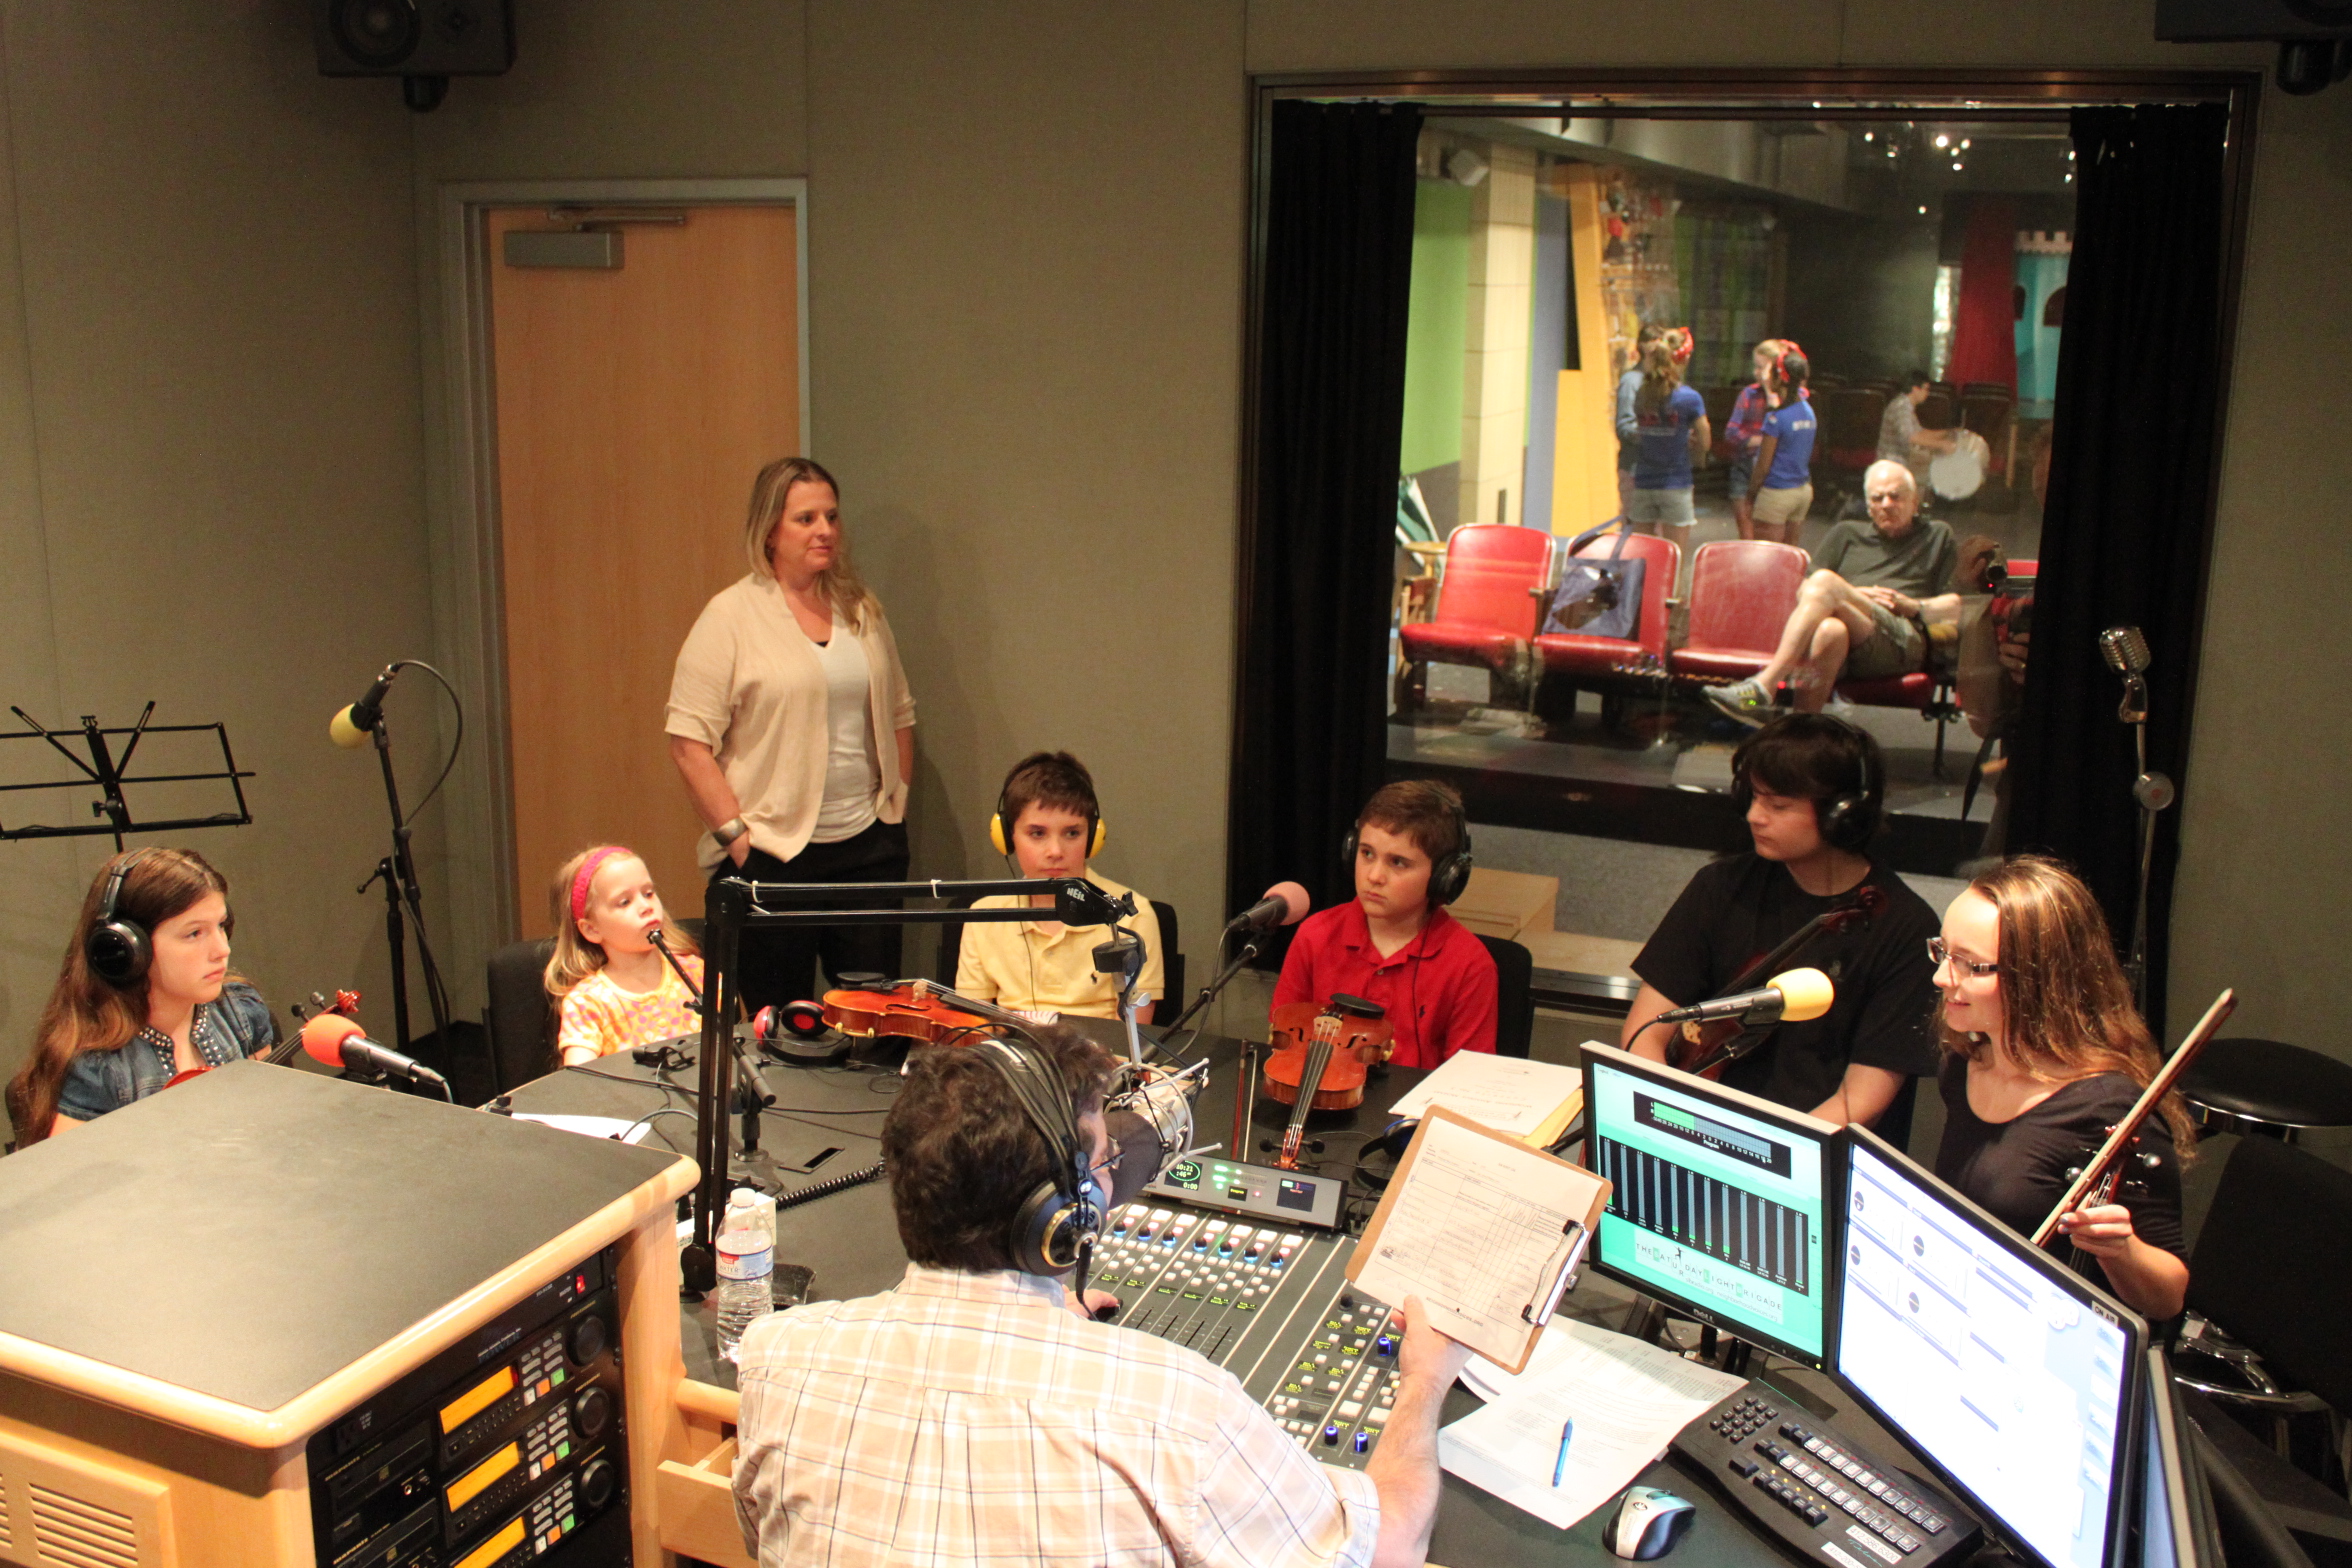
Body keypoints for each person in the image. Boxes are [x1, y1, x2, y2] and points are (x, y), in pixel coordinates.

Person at [732, 1023, 1474, 1568]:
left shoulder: (775, 1360)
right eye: (1100, 1162)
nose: (1109, 1176)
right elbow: (1391, 1544)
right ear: (1061, 1223)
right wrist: (1423, 1381)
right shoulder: (1179, 1414)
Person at [667, 457, 917, 1015]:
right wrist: (737, 838)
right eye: (806, 518)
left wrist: (894, 806)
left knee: (876, 1018)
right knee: (779, 1024)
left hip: (867, 849)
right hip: (774, 854)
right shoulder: (730, 616)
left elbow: (900, 713)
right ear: (771, 531)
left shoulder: (862, 610)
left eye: (830, 516)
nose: (824, 529)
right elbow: (688, 741)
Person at [1622, 716, 1941, 1131]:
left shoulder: (1904, 927)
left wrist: (1758, 1155)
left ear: (1841, 814)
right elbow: (1643, 1032)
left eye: (1778, 805)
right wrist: (1677, 1123)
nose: (1754, 816)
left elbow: (1860, 1102)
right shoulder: (1721, 887)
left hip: (1812, 1154)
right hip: (1694, 1128)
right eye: (1753, 798)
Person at [1930, 856, 2192, 1321]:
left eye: (1972, 965)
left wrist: (2122, 1251)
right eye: (1943, 953)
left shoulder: (2106, 1107)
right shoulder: (1966, 1062)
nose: (1942, 978)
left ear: (2039, 979)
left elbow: (2168, 1298)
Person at [6, 847, 275, 1143]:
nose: (222, 950)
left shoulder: (241, 1013)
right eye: (194, 933)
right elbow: (72, 1184)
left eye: (221, 926)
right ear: (128, 948)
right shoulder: (96, 1066)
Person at [1705, 460, 1959, 727]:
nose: (1886, 504)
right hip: (1854, 634)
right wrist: (1851, 594)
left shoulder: (1937, 535)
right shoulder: (1845, 534)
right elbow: (1805, 591)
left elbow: (1957, 605)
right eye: (1877, 497)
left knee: (1826, 581)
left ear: (1914, 501)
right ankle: (1799, 735)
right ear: (1869, 505)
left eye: (1895, 496)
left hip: (1902, 638)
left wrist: (1913, 605)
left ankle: (1763, 688)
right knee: (1830, 630)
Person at [1274, 780, 1498, 1069]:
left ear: (1443, 876)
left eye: (1398, 862)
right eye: (1367, 853)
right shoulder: (1316, 935)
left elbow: (1468, 1082)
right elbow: (1284, 1045)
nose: (1375, 876)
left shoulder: (1470, 965)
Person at [956, 752, 1165, 1023]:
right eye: (1037, 833)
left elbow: (1136, 1037)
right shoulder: (983, 916)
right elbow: (972, 1030)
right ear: (1007, 837)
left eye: (1072, 833)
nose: (1055, 851)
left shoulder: (1132, 916)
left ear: (1093, 837)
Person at [544, 845, 703, 1066]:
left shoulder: (698, 973)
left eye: (648, 893)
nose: (646, 906)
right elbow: (579, 1082)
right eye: (624, 902)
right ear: (592, 929)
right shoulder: (587, 1002)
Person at [1625, 326, 1710, 566]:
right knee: (1674, 557)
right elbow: (1705, 438)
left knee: (1640, 557)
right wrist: (1698, 456)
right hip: (1675, 483)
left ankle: (1641, 599)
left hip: (1644, 481)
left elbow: (1641, 433)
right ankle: (1670, 601)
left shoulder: (1642, 393)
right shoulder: (1689, 398)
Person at [1745, 345, 1817, 545]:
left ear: (1780, 378)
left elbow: (1763, 466)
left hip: (1776, 493)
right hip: (1802, 491)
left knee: (1768, 557)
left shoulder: (1776, 419)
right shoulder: (1808, 411)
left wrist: (1751, 494)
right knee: (1790, 556)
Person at [1722, 338, 1782, 542]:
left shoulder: (1790, 397)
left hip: (1773, 470)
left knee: (1767, 534)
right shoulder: (1748, 394)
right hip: (1744, 465)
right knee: (1745, 530)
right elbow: (1731, 432)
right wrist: (1761, 440)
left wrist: (1769, 391)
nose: (1756, 372)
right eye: (1755, 367)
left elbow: (1783, 431)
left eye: (1761, 367)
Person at [1615, 322, 1667, 515]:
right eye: (1658, 344)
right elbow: (1625, 427)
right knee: (1635, 527)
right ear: (1646, 347)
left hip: (1659, 468)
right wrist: (1656, 435)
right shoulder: (1631, 381)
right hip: (1635, 466)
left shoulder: (1663, 382)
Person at [1877, 369, 1961, 474]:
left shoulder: (1906, 405)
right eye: (1926, 389)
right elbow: (1910, 437)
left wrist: (1947, 433)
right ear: (1915, 389)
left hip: (1902, 459)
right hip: (1893, 463)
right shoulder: (1901, 406)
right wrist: (1942, 444)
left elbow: (1920, 433)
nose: (1927, 393)